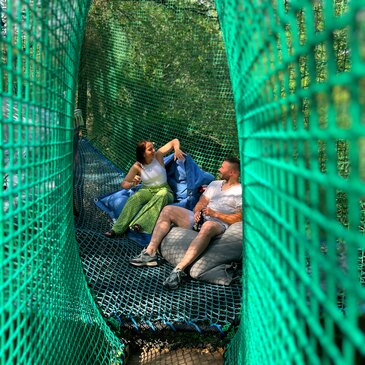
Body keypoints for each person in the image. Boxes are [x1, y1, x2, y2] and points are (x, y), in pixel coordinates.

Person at [129, 157, 242, 290]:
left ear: (232, 173)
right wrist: (197, 211)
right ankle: (150, 252)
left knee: (208, 226)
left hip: (218, 223)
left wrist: (215, 214)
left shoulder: (240, 191)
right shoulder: (215, 184)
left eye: (222, 167)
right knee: (168, 210)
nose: (219, 169)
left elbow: (239, 218)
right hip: (201, 219)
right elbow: (202, 201)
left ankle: (178, 270)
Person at [104, 138, 185, 238]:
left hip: (164, 189)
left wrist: (177, 149)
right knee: (135, 197)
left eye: (153, 148)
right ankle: (116, 230)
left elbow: (174, 141)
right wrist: (132, 184)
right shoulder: (137, 166)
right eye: (150, 149)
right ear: (143, 154)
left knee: (162, 195)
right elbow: (124, 183)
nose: (154, 150)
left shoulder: (158, 156)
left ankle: (139, 224)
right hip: (146, 190)